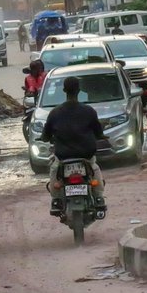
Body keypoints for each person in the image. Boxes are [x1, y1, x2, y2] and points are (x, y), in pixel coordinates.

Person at [39, 75, 107, 217]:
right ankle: (99, 198)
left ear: (64, 90)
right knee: (95, 170)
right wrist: (101, 136)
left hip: (63, 157)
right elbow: (99, 133)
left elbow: (45, 136)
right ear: (79, 90)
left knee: (54, 172)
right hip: (86, 156)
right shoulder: (89, 111)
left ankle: (56, 201)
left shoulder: (54, 113)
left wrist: (47, 138)